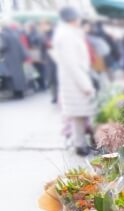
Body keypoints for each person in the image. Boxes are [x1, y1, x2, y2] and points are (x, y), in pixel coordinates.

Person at [51, 7, 95, 156]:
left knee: (80, 114)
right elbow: (72, 64)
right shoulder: (66, 36)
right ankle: (80, 145)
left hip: (75, 79)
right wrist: (85, 84)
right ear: (73, 19)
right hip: (75, 81)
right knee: (79, 114)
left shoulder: (68, 33)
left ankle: (80, 143)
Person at [0, 20, 28, 99]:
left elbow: (3, 46)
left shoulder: (3, 34)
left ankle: (17, 93)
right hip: (17, 57)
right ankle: (21, 92)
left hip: (9, 57)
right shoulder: (13, 33)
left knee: (12, 76)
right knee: (19, 75)